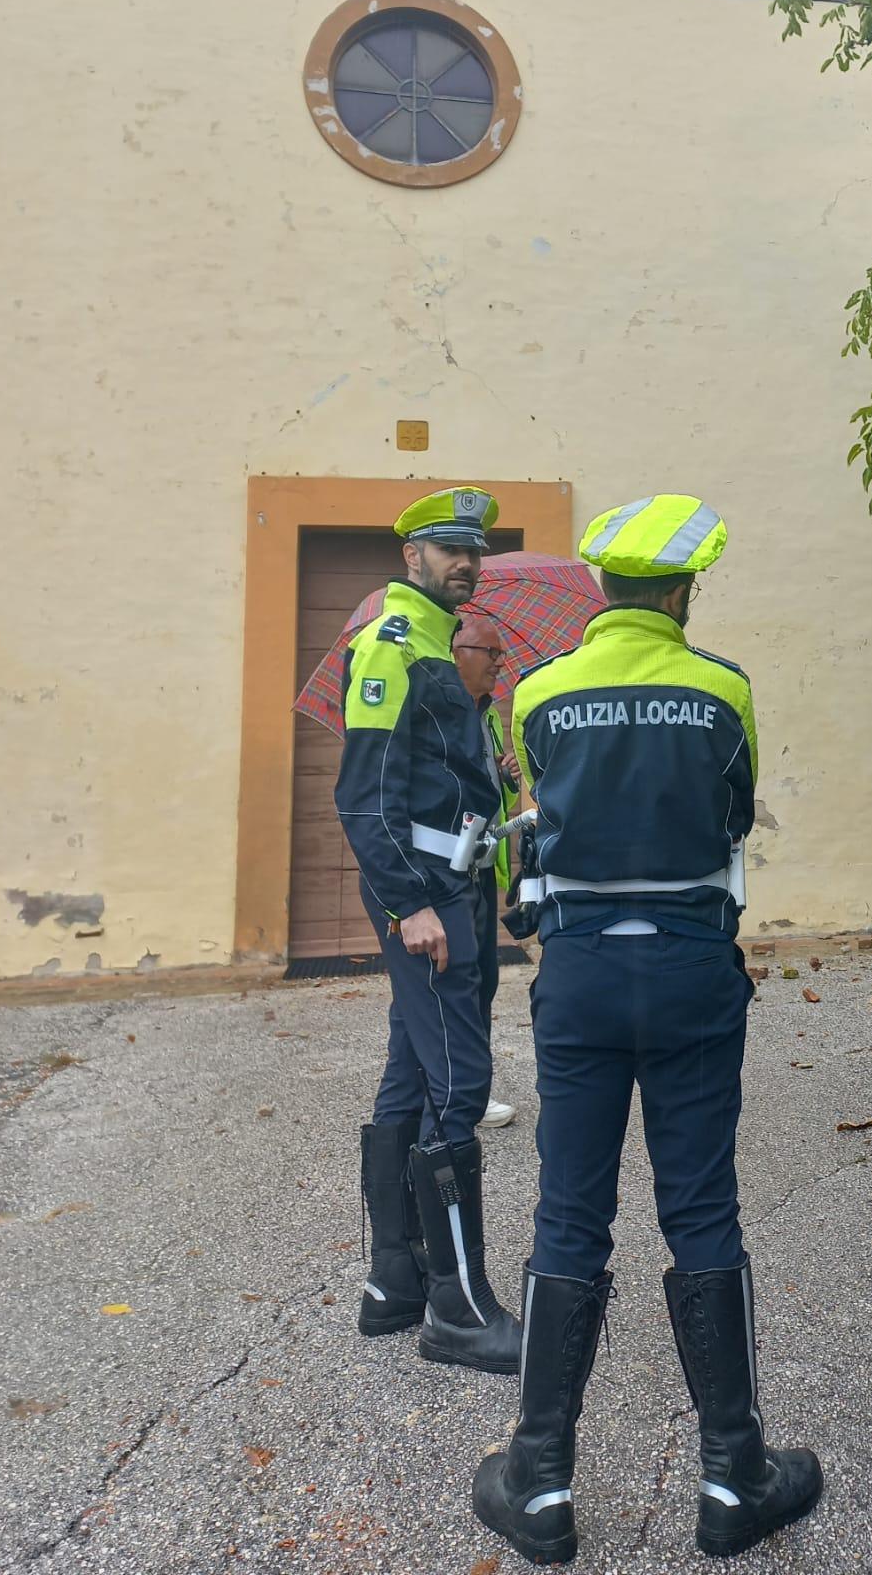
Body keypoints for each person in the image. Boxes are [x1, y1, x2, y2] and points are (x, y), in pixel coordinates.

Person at [473, 495, 822, 1566]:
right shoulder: (722, 688)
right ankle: (733, 1473)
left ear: (601, 590)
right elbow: (734, 809)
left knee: (568, 1213)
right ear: (679, 591)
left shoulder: (538, 688)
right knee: (701, 1206)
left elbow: (528, 821)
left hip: (578, 971)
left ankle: (539, 1476)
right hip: (688, 967)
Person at [335, 486, 521, 1374]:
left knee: (411, 1071)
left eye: (473, 549)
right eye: (448, 549)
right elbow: (364, 798)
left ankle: (393, 1285)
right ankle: (460, 1308)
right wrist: (411, 904)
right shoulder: (393, 647)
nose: (467, 563)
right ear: (410, 556)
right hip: (428, 896)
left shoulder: (445, 651)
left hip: (456, 885)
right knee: (460, 1080)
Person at [451, 613, 520, 1129]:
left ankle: (472, 1088)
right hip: (447, 873)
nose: (501, 662)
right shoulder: (437, 714)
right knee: (456, 985)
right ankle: (458, 1095)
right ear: (457, 652)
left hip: (479, 870)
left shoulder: (489, 714)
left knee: (483, 983)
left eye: (500, 653)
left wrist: (504, 777)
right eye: (490, 652)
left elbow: (489, 791)